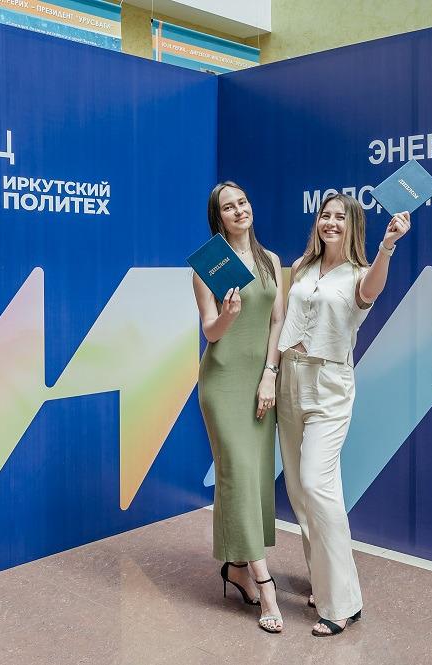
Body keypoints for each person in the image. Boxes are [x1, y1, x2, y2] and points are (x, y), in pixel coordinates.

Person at [276, 193, 411, 636]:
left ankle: (343, 604)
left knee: (317, 484)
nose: (330, 222)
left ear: (353, 226)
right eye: (325, 215)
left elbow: (371, 291)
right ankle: (325, 584)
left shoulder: (360, 274)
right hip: (289, 376)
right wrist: (270, 373)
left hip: (329, 385)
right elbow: (282, 320)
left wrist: (387, 246)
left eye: (339, 217)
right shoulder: (302, 266)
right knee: (300, 491)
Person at [193, 181, 286, 633]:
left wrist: (270, 373)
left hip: (259, 380)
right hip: (222, 381)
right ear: (219, 218)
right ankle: (264, 583)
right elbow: (210, 331)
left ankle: (234, 568)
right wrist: (226, 316)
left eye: (243, 202)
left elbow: (278, 320)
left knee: (254, 476)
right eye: (228, 207)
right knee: (238, 475)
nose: (239, 211)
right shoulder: (208, 267)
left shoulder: (271, 261)